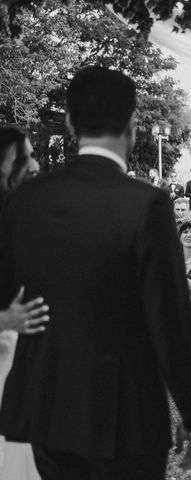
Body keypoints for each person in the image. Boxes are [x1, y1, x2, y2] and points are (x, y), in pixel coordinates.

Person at [0, 67, 191, 478]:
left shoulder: (26, 200)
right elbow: (170, 318)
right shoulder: (147, 204)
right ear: (132, 123)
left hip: (48, 408)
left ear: (72, 124)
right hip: (125, 414)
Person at [0, 125, 50, 480]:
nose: (34, 166)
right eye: (24, 157)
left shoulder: (22, 221)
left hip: (23, 366)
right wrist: (3, 320)